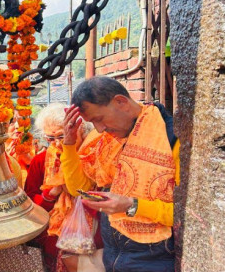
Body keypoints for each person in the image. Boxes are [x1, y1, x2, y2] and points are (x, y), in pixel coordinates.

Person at [61, 76, 179, 272]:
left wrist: (132, 206)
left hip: (154, 259)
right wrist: (69, 143)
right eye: (92, 123)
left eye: (99, 119)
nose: (99, 129)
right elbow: (77, 188)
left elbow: (186, 215)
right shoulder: (104, 141)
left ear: (121, 102)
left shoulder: (170, 138)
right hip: (114, 255)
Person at [24, 103, 101, 272]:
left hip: (92, 234)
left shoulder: (93, 154)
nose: (57, 144)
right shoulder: (41, 160)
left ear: (79, 129)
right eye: (50, 139)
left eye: (61, 136)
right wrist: (51, 193)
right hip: (53, 237)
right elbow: (30, 205)